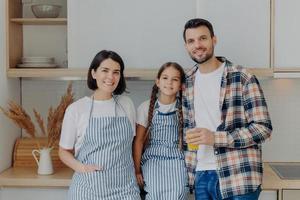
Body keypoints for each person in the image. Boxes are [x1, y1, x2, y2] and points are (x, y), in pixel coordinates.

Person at [182, 18, 273, 200]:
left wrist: (215, 138)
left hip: (238, 175)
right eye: (191, 41)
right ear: (186, 46)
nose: (197, 45)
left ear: (214, 40)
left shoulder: (242, 77)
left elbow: (263, 128)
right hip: (201, 176)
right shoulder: (187, 81)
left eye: (203, 38)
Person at [59, 50, 140, 200]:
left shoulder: (126, 104)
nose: (111, 77)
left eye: (116, 72)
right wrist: (81, 168)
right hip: (88, 189)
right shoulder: (77, 109)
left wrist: (138, 172)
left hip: (125, 190)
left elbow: (133, 143)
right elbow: (63, 151)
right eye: (105, 70)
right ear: (94, 73)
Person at [133, 62, 188, 199]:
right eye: (165, 78)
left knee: (179, 191)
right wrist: (137, 170)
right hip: (152, 159)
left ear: (181, 85)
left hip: (178, 158)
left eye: (175, 79)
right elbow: (139, 141)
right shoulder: (146, 107)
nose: (169, 83)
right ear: (157, 82)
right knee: (155, 192)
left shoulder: (185, 109)